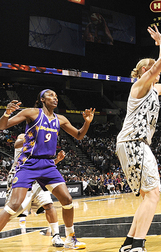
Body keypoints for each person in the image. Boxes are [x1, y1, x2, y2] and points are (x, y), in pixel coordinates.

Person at [0, 89, 95, 250]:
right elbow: (3, 126)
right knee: (14, 204)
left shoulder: (61, 119)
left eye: (57, 96)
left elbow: (78, 135)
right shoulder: (31, 112)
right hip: (29, 163)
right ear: (42, 99)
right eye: (51, 95)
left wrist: (87, 122)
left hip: (49, 165)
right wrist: (7, 113)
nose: (55, 98)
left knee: (67, 200)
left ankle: (70, 238)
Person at [116, 25, 161, 252]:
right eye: (152, 66)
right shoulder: (140, 85)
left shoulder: (154, 89)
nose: (157, 70)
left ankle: (129, 244)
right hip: (134, 142)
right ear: (145, 70)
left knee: (148, 195)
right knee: (153, 194)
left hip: (134, 143)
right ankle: (138, 245)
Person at [6, 133, 65, 247]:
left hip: (37, 180)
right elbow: (17, 144)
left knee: (49, 205)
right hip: (21, 178)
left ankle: (56, 235)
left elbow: (43, 165)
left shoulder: (43, 146)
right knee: (11, 212)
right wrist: (34, 138)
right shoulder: (25, 135)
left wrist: (57, 160)